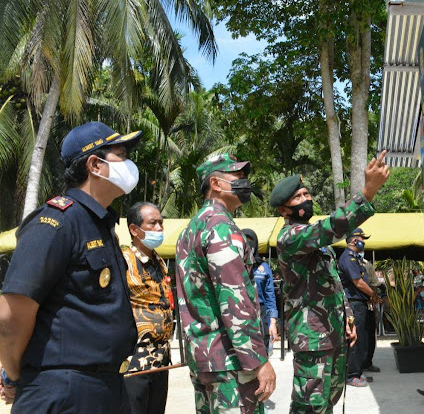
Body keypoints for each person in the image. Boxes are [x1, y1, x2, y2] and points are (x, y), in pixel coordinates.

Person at [0, 122, 141, 412]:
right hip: (63, 392)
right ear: (95, 164)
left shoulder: (100, 225)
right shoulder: (56, 222)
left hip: (105, 387)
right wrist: (15, 374)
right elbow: (11, 313)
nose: (129, 164)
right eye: (122, 154)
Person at [270, 150, 389, 413]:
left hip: (332, 333)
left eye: (306, 194)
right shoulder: (291, 238)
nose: (306, 199)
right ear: (283, 209)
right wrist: (367, 192)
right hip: (311, 338)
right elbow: (330, 227)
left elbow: (333, 283)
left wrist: (347, 319)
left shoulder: (317, 245)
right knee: (310, 405)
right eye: (298, 197)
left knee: (327, 400)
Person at [175, 154, 276, 414]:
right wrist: (258, 361)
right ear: (216, 184)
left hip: (204, 358)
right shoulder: (220, 226)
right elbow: (235, 300)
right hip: (231, 362)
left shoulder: (191, 228)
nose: (245, 183)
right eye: (238, 177)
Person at [122, 202, 174, 414]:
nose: (159, 228)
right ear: (135, 230)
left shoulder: (159, 261)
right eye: (152, 223)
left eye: (161, 223)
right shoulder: (124, 260)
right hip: (135, 361)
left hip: (161, 359)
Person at [338, 228, 382, 387]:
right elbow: (358, 282)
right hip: (353, 304)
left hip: (359, 304)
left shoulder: (355, 259)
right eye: (362, 238)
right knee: (355, 340)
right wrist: (373, 295)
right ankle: (351, 375)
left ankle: (357, 371)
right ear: (354, 240)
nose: (363, 241)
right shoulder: (348, 258)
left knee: (362, 339)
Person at [242, 229, 279, 352]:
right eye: (245, 240)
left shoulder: (264, 267)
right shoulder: (232, 266)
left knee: (263, 355)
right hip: (240, 314)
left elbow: (270, 298)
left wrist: (272, 323)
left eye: (250, 241)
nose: (248, 244)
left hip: (261, 316)